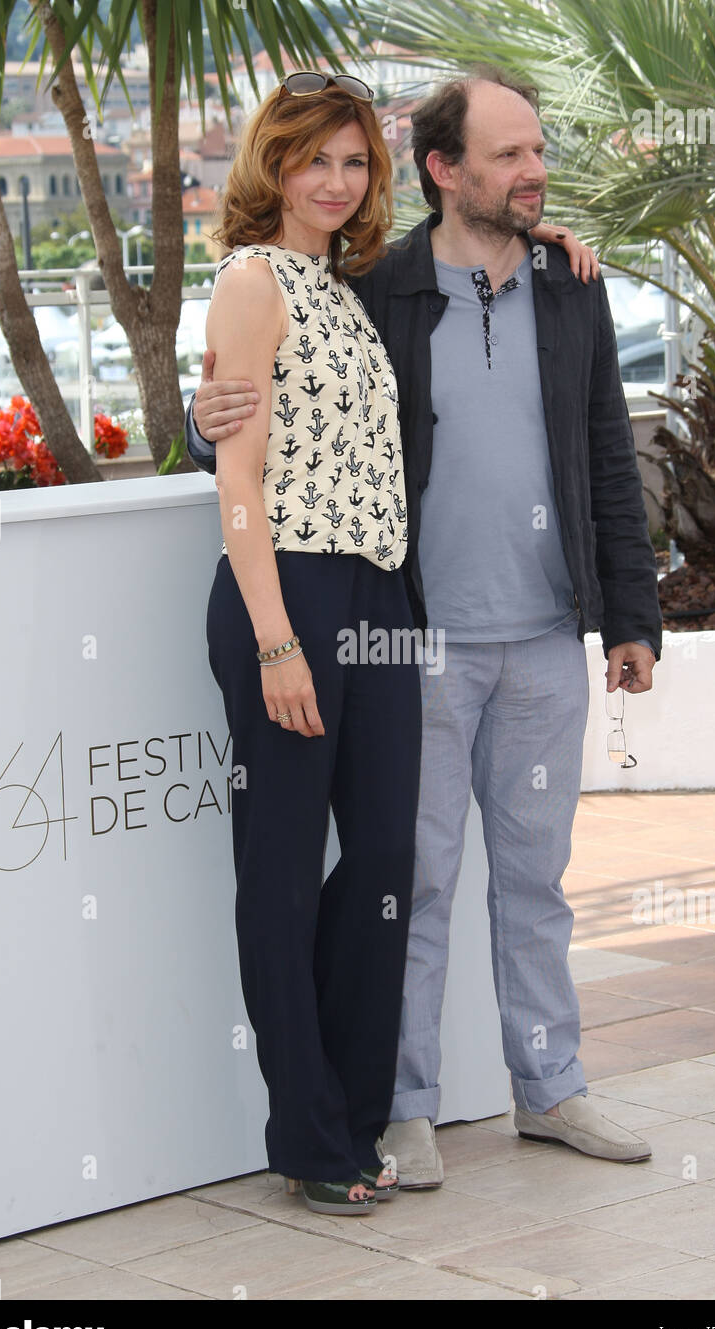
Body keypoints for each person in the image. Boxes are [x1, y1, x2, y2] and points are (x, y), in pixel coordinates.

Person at [189, 65, 663, 1191]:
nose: (533, 171)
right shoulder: (371, 284)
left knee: (474, 873)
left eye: (354, 163)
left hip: (483, 623)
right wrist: (202, 421)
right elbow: (249, 416)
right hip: (386, 625)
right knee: (381, 880)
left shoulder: (546, 284)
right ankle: (370, 1122)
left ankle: (511, 1094)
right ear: (445, 171)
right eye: (506, 154)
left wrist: (629, 615)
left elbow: (604, 452)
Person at [204, 70, 426, 1215]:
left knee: (386, 858)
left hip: (378, 595)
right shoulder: (251, 282)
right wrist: (275, 639)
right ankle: (309, 1133)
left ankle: (348, 1101)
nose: (335, 182)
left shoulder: (343, 287)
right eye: (315, 160)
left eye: (354, 163)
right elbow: (234, 474)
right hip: (284, 594)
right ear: (273, 164)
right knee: (282, 876)